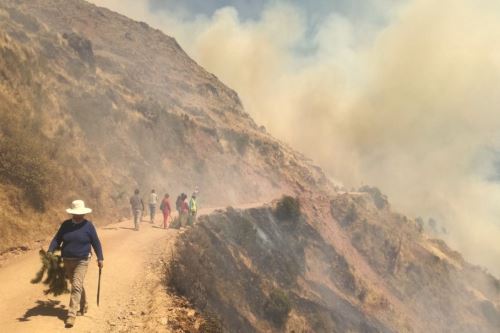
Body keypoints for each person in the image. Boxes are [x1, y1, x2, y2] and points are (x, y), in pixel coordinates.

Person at [47, 200, 103, 328]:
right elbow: (57, 239)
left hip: (82, 260)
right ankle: (83, 305)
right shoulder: (66, 225)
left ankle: (71, 314)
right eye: (77, 213)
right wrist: (50, 250)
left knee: (76, 285)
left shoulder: (88, 226)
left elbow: (96, 242)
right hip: (67, 259)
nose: (80, 216)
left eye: (81, 213)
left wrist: (100, 258)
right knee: (75, 284)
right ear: (73, 214)